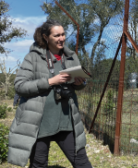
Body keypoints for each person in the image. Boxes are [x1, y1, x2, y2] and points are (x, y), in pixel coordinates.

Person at [7, 20, 93, 168]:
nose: (62, 38)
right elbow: (20, 86)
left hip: (66, 121)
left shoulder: (71, 57)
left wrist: (79, 84)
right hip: (40, 123)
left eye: (63, 34)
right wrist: (50, 81)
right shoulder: (32, 58)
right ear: (46, 37)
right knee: (39, 164)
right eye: (57, 35)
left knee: (81, 162)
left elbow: (77, 85)